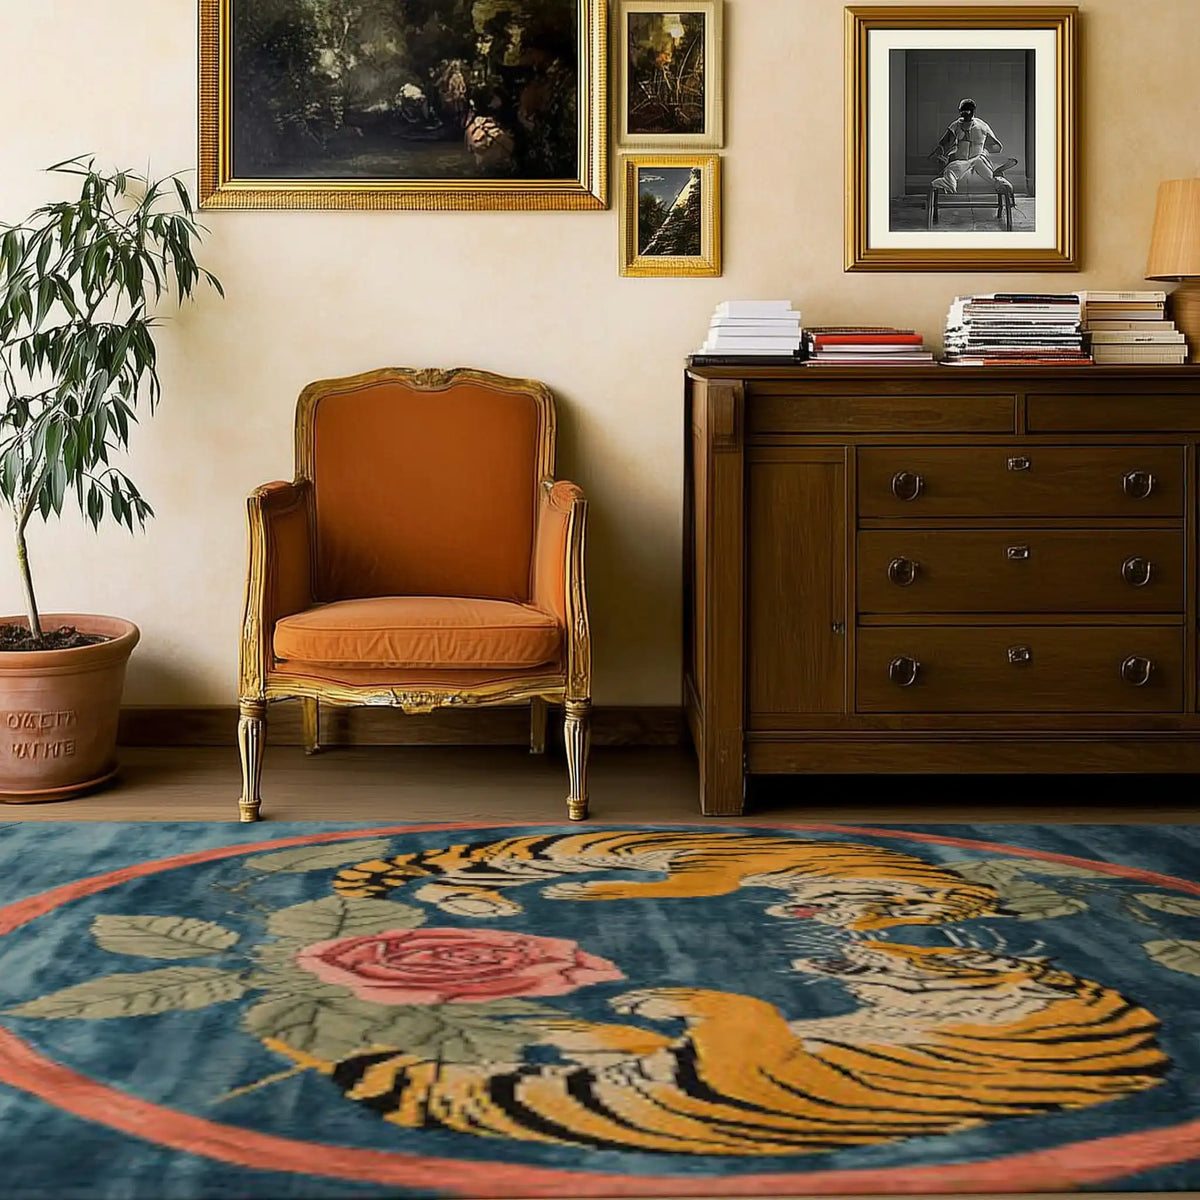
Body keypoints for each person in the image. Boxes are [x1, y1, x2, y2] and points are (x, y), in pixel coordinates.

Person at [928, 98, 1011, 196]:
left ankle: (1001, 185)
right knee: (950, 170)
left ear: (973, 111)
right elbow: (943, 143)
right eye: (962, 112)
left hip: (978, 158)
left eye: (967, 112)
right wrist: (939, 153)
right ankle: (949, 187)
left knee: (990, 175)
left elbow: (997, 146)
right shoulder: (956, 125)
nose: (965, 115)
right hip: (961, 161)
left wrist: (984, 151)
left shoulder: (982, 126)